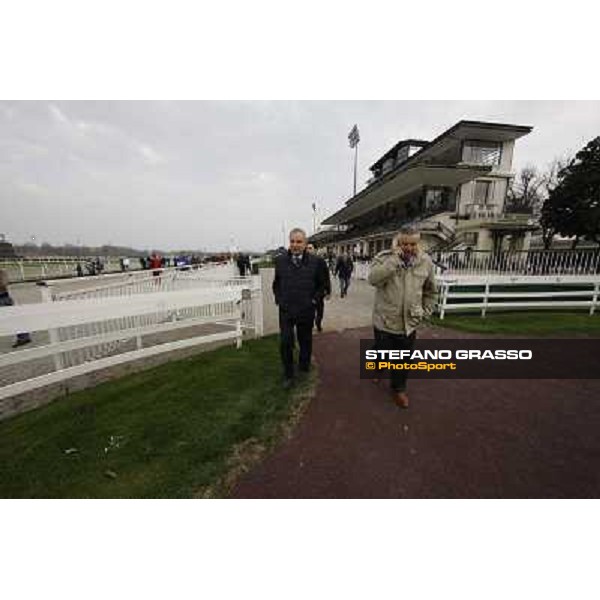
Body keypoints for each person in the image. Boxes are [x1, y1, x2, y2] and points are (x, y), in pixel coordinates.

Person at [367, 226, 437, 409]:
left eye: (412, 244)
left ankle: (399, 389)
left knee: (403, 359)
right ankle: (378, 365)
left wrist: (426, 311)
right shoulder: (383, 258)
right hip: (384, 320)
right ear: (398, 243)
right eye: (404, 243)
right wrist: (393, 262)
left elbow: (431, 291)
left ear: (418, 243)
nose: (408, 247)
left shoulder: (426, 261)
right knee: (383, 352)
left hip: (409, 322)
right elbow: (373, 279)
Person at [273, 228, 328, 388]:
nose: (295, 245)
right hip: (286, 310)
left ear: (305, 244)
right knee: (285, 342)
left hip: (306, 310)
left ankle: (304, 365)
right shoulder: (280, 261)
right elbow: (277, 284)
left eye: (299, 242)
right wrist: (279, 299)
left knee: (305, 340)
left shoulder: (316, 262)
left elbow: (321, 285)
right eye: (292, 241)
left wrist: (313, 301)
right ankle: (288, 374)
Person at [0, 268, 32, 348]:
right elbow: (5, 283)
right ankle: (24, 336)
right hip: (5, 297)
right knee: (14, 317)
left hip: (3, 298)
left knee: (13, 318)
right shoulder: (3, 272)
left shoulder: (2, 272)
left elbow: (4, 283)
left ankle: (24, 337)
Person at [306, 243, 331, 332]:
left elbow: (327, 277)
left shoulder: (321, 261)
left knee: (320, 311)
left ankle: (318, 323)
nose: (308, 250)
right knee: (309, 311)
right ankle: (311, 323)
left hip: (319, 291)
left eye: (310, 248)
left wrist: (328, 291)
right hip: (308, 293)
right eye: (307, 248)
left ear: (315, 250)